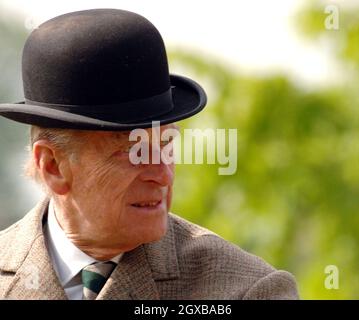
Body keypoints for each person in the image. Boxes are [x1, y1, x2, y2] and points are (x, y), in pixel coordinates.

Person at [0, 8, 298, 300]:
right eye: (133, 151)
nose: (163, 174)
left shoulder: (248, 291)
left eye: (167, 144)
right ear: (53, 166)